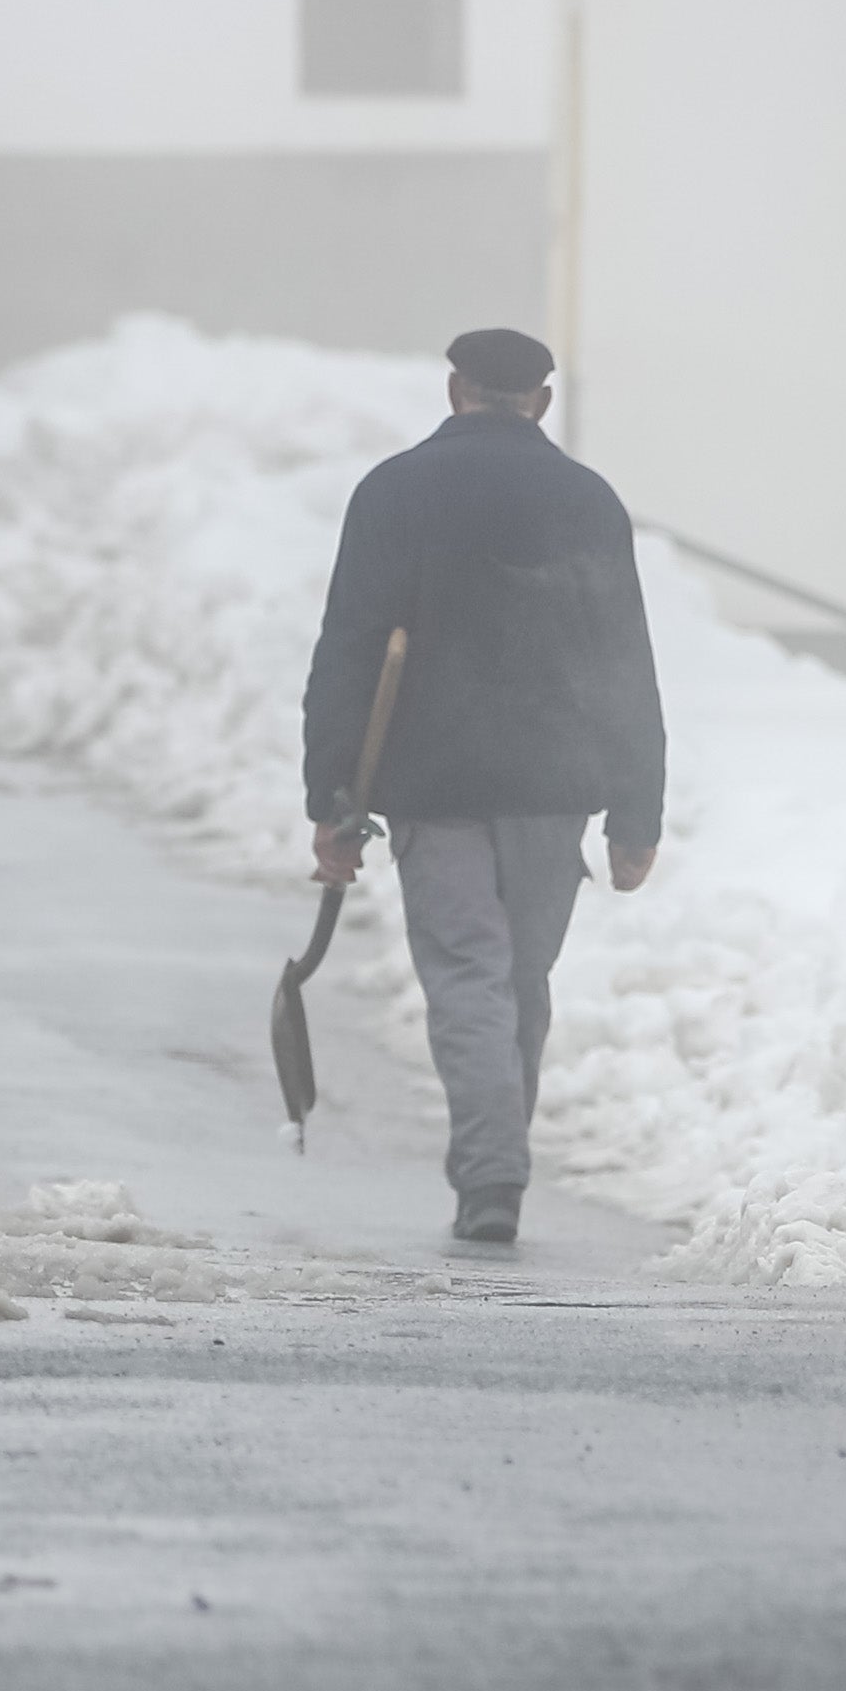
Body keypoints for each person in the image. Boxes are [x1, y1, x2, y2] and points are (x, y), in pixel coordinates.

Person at [302, 327, 666, 1247]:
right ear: (540, 401)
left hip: (437, 781)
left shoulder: (395, 490)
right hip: (554, 788)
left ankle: (491, 1170)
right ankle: (495, 1161)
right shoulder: (586, 500)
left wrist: (330, 798)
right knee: (519, 978)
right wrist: (636, 812)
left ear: (455, 389)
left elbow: (349, 648)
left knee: (469, 975)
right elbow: (626, 660)